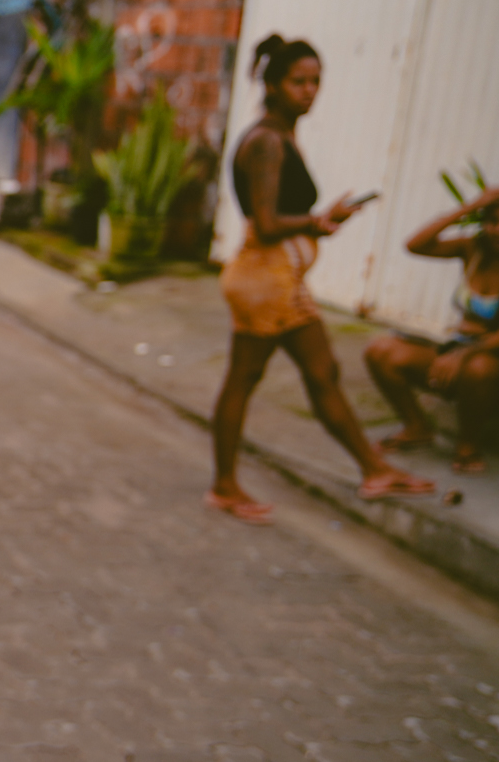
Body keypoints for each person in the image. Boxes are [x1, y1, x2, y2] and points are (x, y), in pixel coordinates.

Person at [206, 33, 434, 523]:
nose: (309, 91)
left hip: (276, 278)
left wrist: (320, 223)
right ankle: (225, 486)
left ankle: (374, 469)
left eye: (315, 82)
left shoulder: (280, 134)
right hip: (265, 280)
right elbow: (266, 224)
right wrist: (316, 220)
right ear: (271, 84)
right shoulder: (267, 141)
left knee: (320, 371)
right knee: (247, 378)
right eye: (298, 82)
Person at [363, 183, 499, 474]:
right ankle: (417, 426)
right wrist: (471, 206)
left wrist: (463, 355)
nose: (496, 230)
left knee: (480, 368)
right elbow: (415, 244)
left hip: (489, 360)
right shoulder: (473, 249)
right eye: (492, 221)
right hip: (459, 348)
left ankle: (467, 444)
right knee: (381, 351)